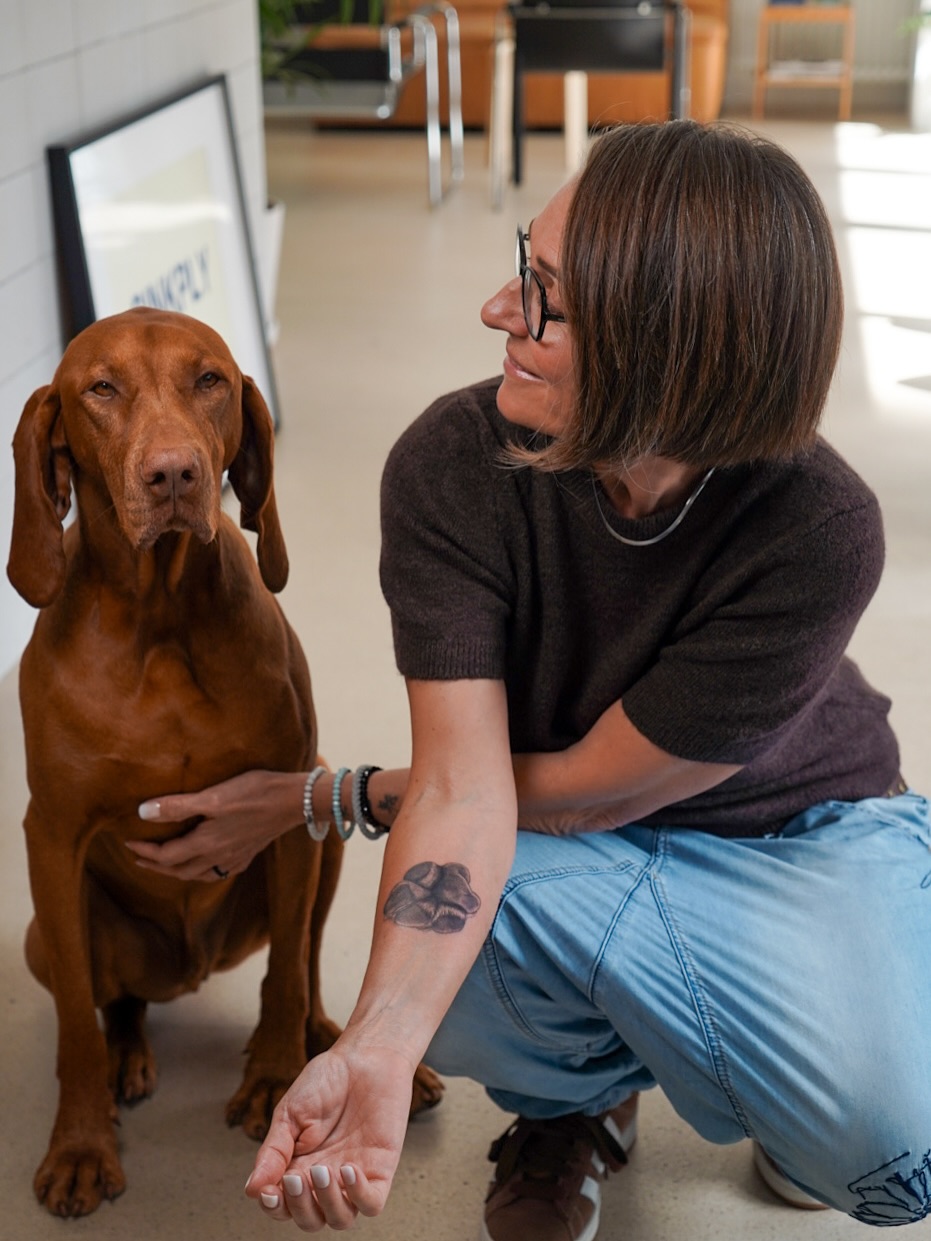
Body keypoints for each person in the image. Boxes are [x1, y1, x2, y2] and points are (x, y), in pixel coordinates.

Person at [128, 119, 931, 1239]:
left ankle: (740, 1055)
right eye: (524, 265)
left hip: (793, 833)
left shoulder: (819, 525)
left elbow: (595, 791)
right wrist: (375, 1046)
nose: (497, 310)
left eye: (547, 297)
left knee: (891, 1161)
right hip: (567, 843)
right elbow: (469, 793)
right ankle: (572, 1102)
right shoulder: (453, 464)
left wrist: (330, 795)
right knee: (442, 957)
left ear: (671, 351)